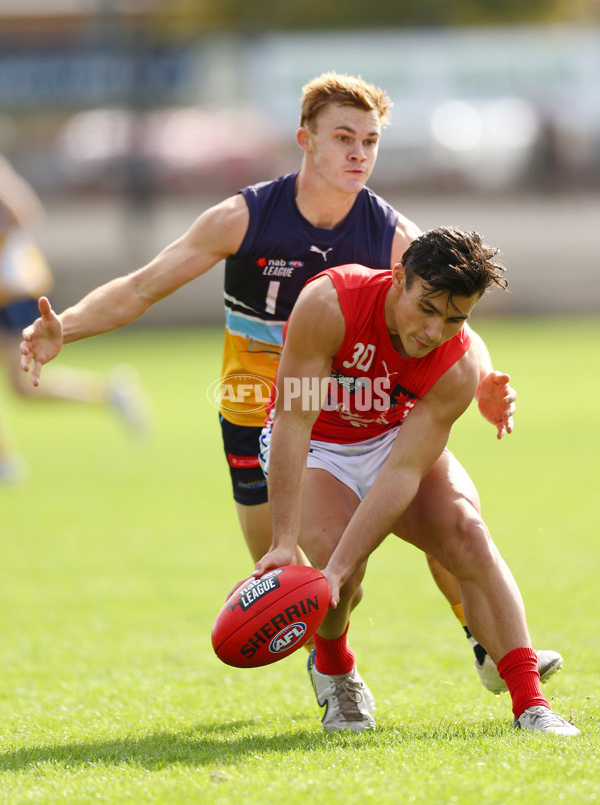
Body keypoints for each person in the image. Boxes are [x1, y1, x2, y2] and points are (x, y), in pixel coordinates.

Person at [20, 72, 559, 693]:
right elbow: (144, 285)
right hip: (258, 412)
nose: (359, 153)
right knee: (287, 569)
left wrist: (487, 379)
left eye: (371, 141)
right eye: (343, 137)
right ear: (305, 139)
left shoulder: (393, 237)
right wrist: (71, 327)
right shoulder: (245, 218)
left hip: (358, 414)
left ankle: (487, 647)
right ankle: (330, 660)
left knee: (443, 523)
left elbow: (449, 320)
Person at [253, 227, 579, 736]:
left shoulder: (458, 362)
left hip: (389, 441)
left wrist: (335, 570)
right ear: (398, 277)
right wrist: (286, 544)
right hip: (317, 442)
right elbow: (294, 421)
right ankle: (335, 669)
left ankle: (530, 703)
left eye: (455, 318)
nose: (434, 331)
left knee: (467, 533)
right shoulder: (329, 302)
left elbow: (402, 471)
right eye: (426, 308)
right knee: (341, 572)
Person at [0, 153, 150, 481]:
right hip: (9, 289)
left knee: (24, 387)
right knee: (23, 390)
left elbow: (25, 214)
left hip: (13, 288)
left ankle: (5, 462)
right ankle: (108, 394)